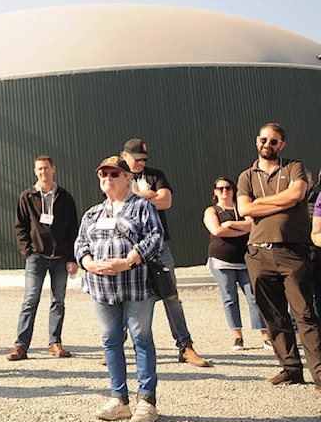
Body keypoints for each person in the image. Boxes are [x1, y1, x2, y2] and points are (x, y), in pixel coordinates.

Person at [75, 155, 164, 422]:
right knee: (111, 341)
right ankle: (119, 399)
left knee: (141, 339)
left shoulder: (142, 207)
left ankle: (146, 401)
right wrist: (89, 264)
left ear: (128, 178)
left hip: (136, 286)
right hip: (102, 289)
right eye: (103, 175)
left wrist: (128, 261)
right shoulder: (93, 213)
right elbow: (81, 244)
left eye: (114, 174)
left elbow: (156, 238)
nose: (108, 179)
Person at [237, 123, 321, 392]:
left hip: (293, 252)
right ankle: (291, 369)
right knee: (273, 316)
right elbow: (243, 208)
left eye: (274, 141)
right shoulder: (246, 176)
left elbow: (297, 194)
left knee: (305, 313)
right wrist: (281, 202)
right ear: (256, 141)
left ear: (281, 144)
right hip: (259, 252)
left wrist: (260, 203)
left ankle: (319, 373)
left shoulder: (293, 167)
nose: (268, 145)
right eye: (264, 140)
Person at [121, 138, 209, 367]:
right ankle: (116, 346)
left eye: (143, 159)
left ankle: (185, 347)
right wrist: (148, 196)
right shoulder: (117, 175)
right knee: (125, 296)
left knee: (171, 296)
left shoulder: (156, 175)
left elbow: (166, 201)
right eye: (136, 158)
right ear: (125, 156)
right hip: (129, 248)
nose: (140, 162)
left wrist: (135, 197)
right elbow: (118, 204)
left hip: (159, 248)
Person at [8, 155, 79, 361]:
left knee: (58, 301)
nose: (43, 172)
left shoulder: (65, 197)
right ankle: (21, 346)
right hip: (36, 257)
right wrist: (27, 251)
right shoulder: (27, 197)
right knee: (30, 300)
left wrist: (72, 257)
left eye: (46, 168)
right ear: (35, 171)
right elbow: (20, 227)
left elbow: (73, 228)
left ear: (53, 169)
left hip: (60, 258)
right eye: (39, 169)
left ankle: (55, 342)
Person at [202, 177, 271, 350]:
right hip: (221, 261)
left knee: (255, 297)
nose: (225, 191)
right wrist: (241, 229)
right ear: (215, 191)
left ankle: (265, 336)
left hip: (245, 260)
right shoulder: (212, 210)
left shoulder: (241, 209)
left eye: (228, 188)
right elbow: (216, 230)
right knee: (229, 298)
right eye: (220, 188)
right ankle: (238, 337)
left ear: (233, 190)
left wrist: (231, 224)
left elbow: (253, 226)